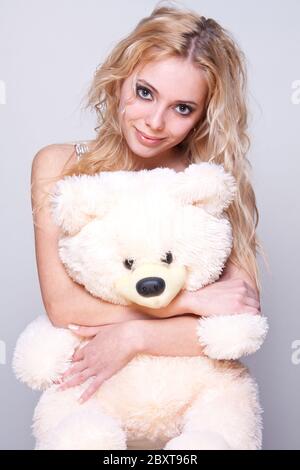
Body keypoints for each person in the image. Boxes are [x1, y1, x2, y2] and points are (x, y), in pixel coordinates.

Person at [30, 4, 262, 404]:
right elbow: (63, 307)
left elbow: (241, 319)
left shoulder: (208, 182)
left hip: (194, 401)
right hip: (91, 397)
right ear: (120, 79)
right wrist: (190, 304)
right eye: (145, 93)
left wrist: (134, 334)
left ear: (202, 116)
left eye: (182, 108)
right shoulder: (59, 166)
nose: (155, 122)